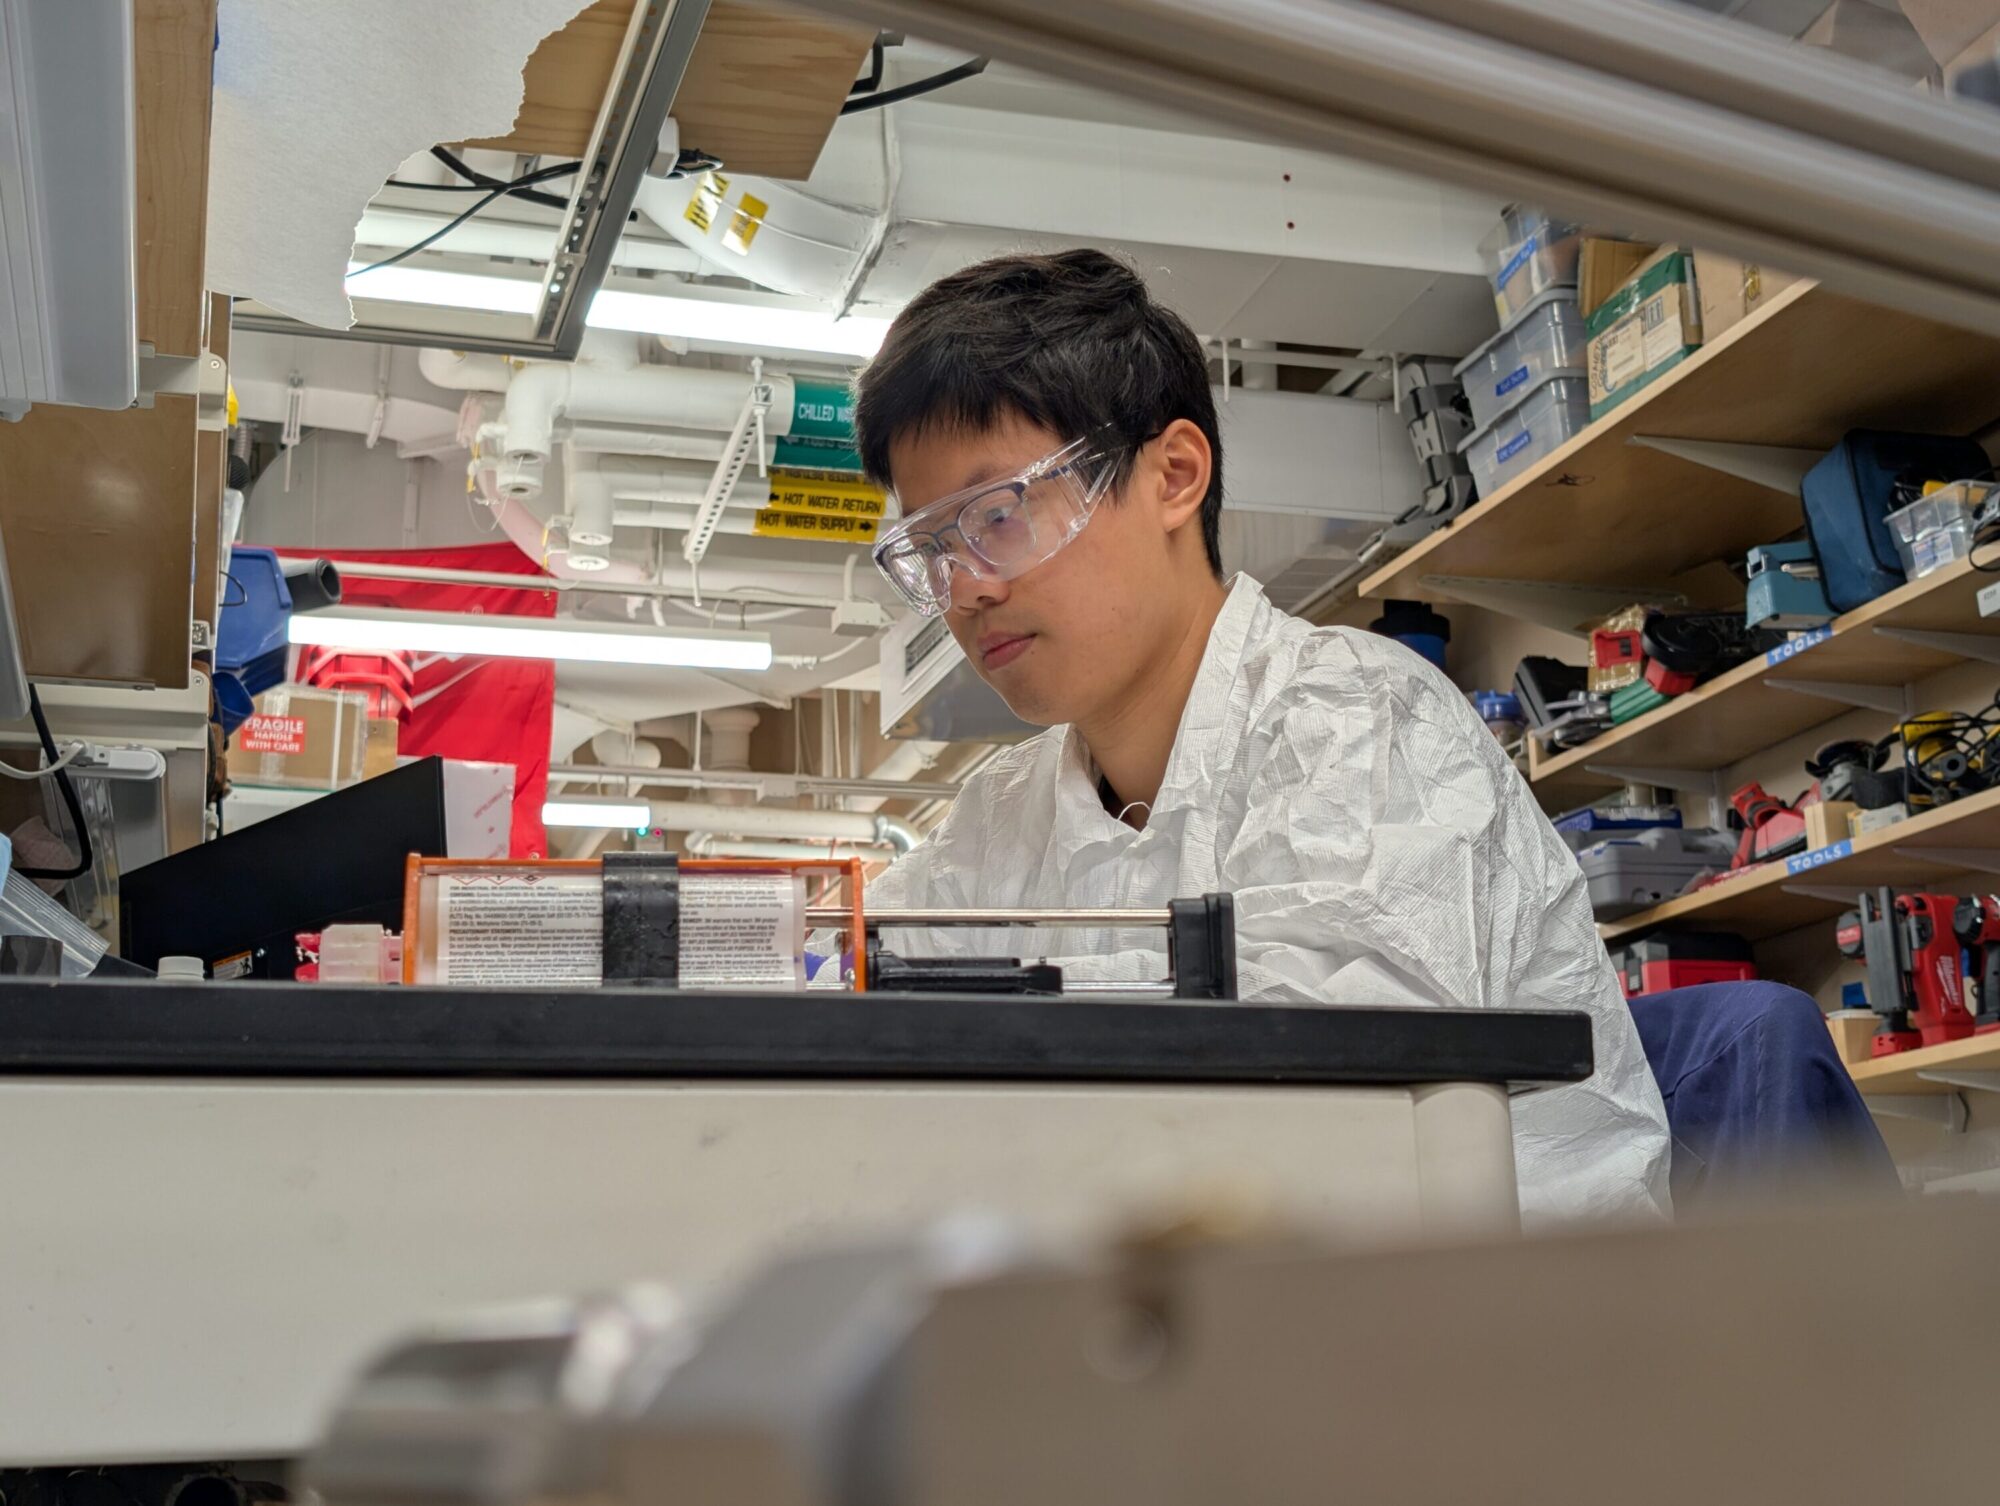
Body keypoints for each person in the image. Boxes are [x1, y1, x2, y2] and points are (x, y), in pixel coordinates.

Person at [852, 248, 1670, 1225]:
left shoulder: (1358, 723)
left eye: (996, 516)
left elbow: (1328, 1124)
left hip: (1496, 1325)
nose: (969, 587)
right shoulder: (998, 815)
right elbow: (848, 997)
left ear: (1172, 476)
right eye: (932, 548)